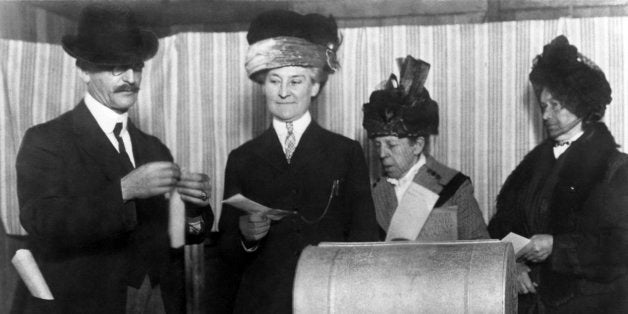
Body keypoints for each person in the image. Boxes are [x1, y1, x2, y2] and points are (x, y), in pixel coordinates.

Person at [13, 4, 212, 314]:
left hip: (159, 299)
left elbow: (188, 237)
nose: (130, 78)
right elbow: (41, 221)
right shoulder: (46, 140)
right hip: (88, 302)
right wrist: (124, 189)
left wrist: (195, 207)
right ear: (83, 71)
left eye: (136, 66)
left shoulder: (154, 148)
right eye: (116, 67)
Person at [217, 10, 379, 314]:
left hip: (328, 302)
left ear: (314, 86)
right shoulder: (242, 159)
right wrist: (245, 237)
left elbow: (364, 241)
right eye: (274, 80)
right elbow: (226, 252)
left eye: (295, 81)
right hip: (262, 305)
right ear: (262, 85)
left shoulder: (346, 153)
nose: (283, 92)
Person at [488, 35, 628, 313]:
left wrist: (557, 247)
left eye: (555, 106)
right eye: (543, 106)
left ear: (580, 105)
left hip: (591, 305)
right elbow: (500, 227)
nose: (545, 116)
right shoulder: (532, 166)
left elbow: (620, 249)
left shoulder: (615, 168)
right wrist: (511, 266)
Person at [363, 55, 488, 241]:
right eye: (378, 145)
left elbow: (481, 250)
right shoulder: (372, 192)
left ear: (418, 145)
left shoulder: (454, 188)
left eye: (391, 145)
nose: (382, 154)